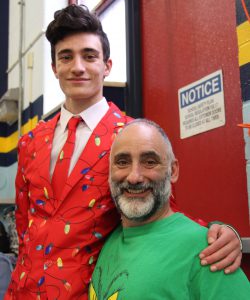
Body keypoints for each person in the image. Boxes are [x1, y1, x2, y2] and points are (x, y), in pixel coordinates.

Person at [5, 4, 242, 300]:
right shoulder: (30, 142)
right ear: (54, 68)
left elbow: (162, 212)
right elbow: (24, 226)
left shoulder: (132, 140)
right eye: (66, 57)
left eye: (89, 56)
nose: (77, 66)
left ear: (107, 66)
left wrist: (220, 233)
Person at [89, 119, 250, 299]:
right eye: (122, 162)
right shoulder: (108, 240)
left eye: (149, 162)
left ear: (173, 171)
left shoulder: (211, 251)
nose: (134, 177)